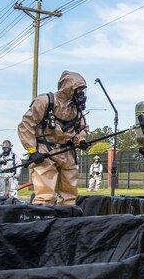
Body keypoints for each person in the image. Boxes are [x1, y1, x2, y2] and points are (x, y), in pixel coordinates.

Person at [18, 71, 90, 205]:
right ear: (68, 88)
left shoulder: (76, 109)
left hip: (66, 152)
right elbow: (26, 124)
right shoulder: (45, 101)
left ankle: (67, 219)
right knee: (45, 196)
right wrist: (32, 151)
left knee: (69, 195)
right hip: (45, 150)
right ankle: (41, 221)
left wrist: (80, 140)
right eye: (78, 89)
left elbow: (82, 128)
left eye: (82, 90)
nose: (81, 93)